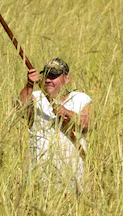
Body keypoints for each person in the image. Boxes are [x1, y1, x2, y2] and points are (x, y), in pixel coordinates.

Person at [18, 57, 93, 189]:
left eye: (53, 76)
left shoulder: (81, 99)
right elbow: (21, 110)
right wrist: (29, 84)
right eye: (46, 75)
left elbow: (89, 124)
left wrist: (66, 113)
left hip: (73, 177)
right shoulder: (35, 97)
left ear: (67, 78)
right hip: (39, 177)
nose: (48, 80)